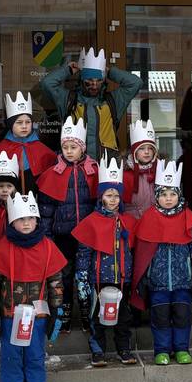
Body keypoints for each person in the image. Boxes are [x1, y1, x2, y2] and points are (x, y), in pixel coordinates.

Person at [0, 192, 67, 382]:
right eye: (21, 219)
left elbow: (55, 281)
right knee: (12, 358)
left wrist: (57, 311)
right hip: (11, 315)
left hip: (37, 317)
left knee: (35, 356)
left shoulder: (48, 247)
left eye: (31, 218)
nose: (27, 223)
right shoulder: (4, 246)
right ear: (12, 221)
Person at [131, 160, 192, 365]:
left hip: (183, 281)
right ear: (157, 196)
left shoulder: (188, 218)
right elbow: (142, 252)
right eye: (164, 194)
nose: (168, 198)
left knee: (182, 315)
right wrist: (142, 278)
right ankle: (162, 350)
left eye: (172, 194)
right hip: (158, 282)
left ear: (179, 195)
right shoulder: (148, 218)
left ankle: (181, 349)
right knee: (160, 317)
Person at [73, 157, 137, 366]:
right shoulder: (91, 222)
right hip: (99, 279)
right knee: (97, 318)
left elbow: (133, 251)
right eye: (109, 195)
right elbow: (84, 253)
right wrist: (82, 277)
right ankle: (98, 351)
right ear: (101, 197)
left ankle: (124, 349)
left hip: (123, 278)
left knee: (124, 319)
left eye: (116, 196)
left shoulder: (127, 222)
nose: (113, 200)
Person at [36, 116, 97, 332]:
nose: (69, 151)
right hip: (63, 235)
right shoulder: (54, 173)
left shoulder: (92, 170)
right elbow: (46, 211)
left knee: (86, 274)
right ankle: (64, 316)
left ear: (82, 148)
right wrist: (47, 238)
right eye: (65, 147)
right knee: (65, 276)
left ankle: (87, 314)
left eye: (73, 147)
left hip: (88, 235)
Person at [41, 47, 143, 161]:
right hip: (76, 163)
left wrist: (110, 72)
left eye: (99, 80)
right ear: (81, 80)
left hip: (106, 164)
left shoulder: (113, 100)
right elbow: (47, 83)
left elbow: (136, 83)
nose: (94, 85)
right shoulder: (68, 99)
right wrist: (68, 70)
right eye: (89, 81)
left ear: (103, 80)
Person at [0, 92, 57, 194]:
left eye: (28, 122)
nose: (24, 126)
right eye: (19, 122)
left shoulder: (42, 150)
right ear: (10, 124)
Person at [123, 119, 159, 221]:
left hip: (154, 221)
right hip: (132, 221)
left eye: (150, 148)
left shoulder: (159, 170)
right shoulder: (126, 174)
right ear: (134, 151)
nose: (146, 152)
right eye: (142, 148)